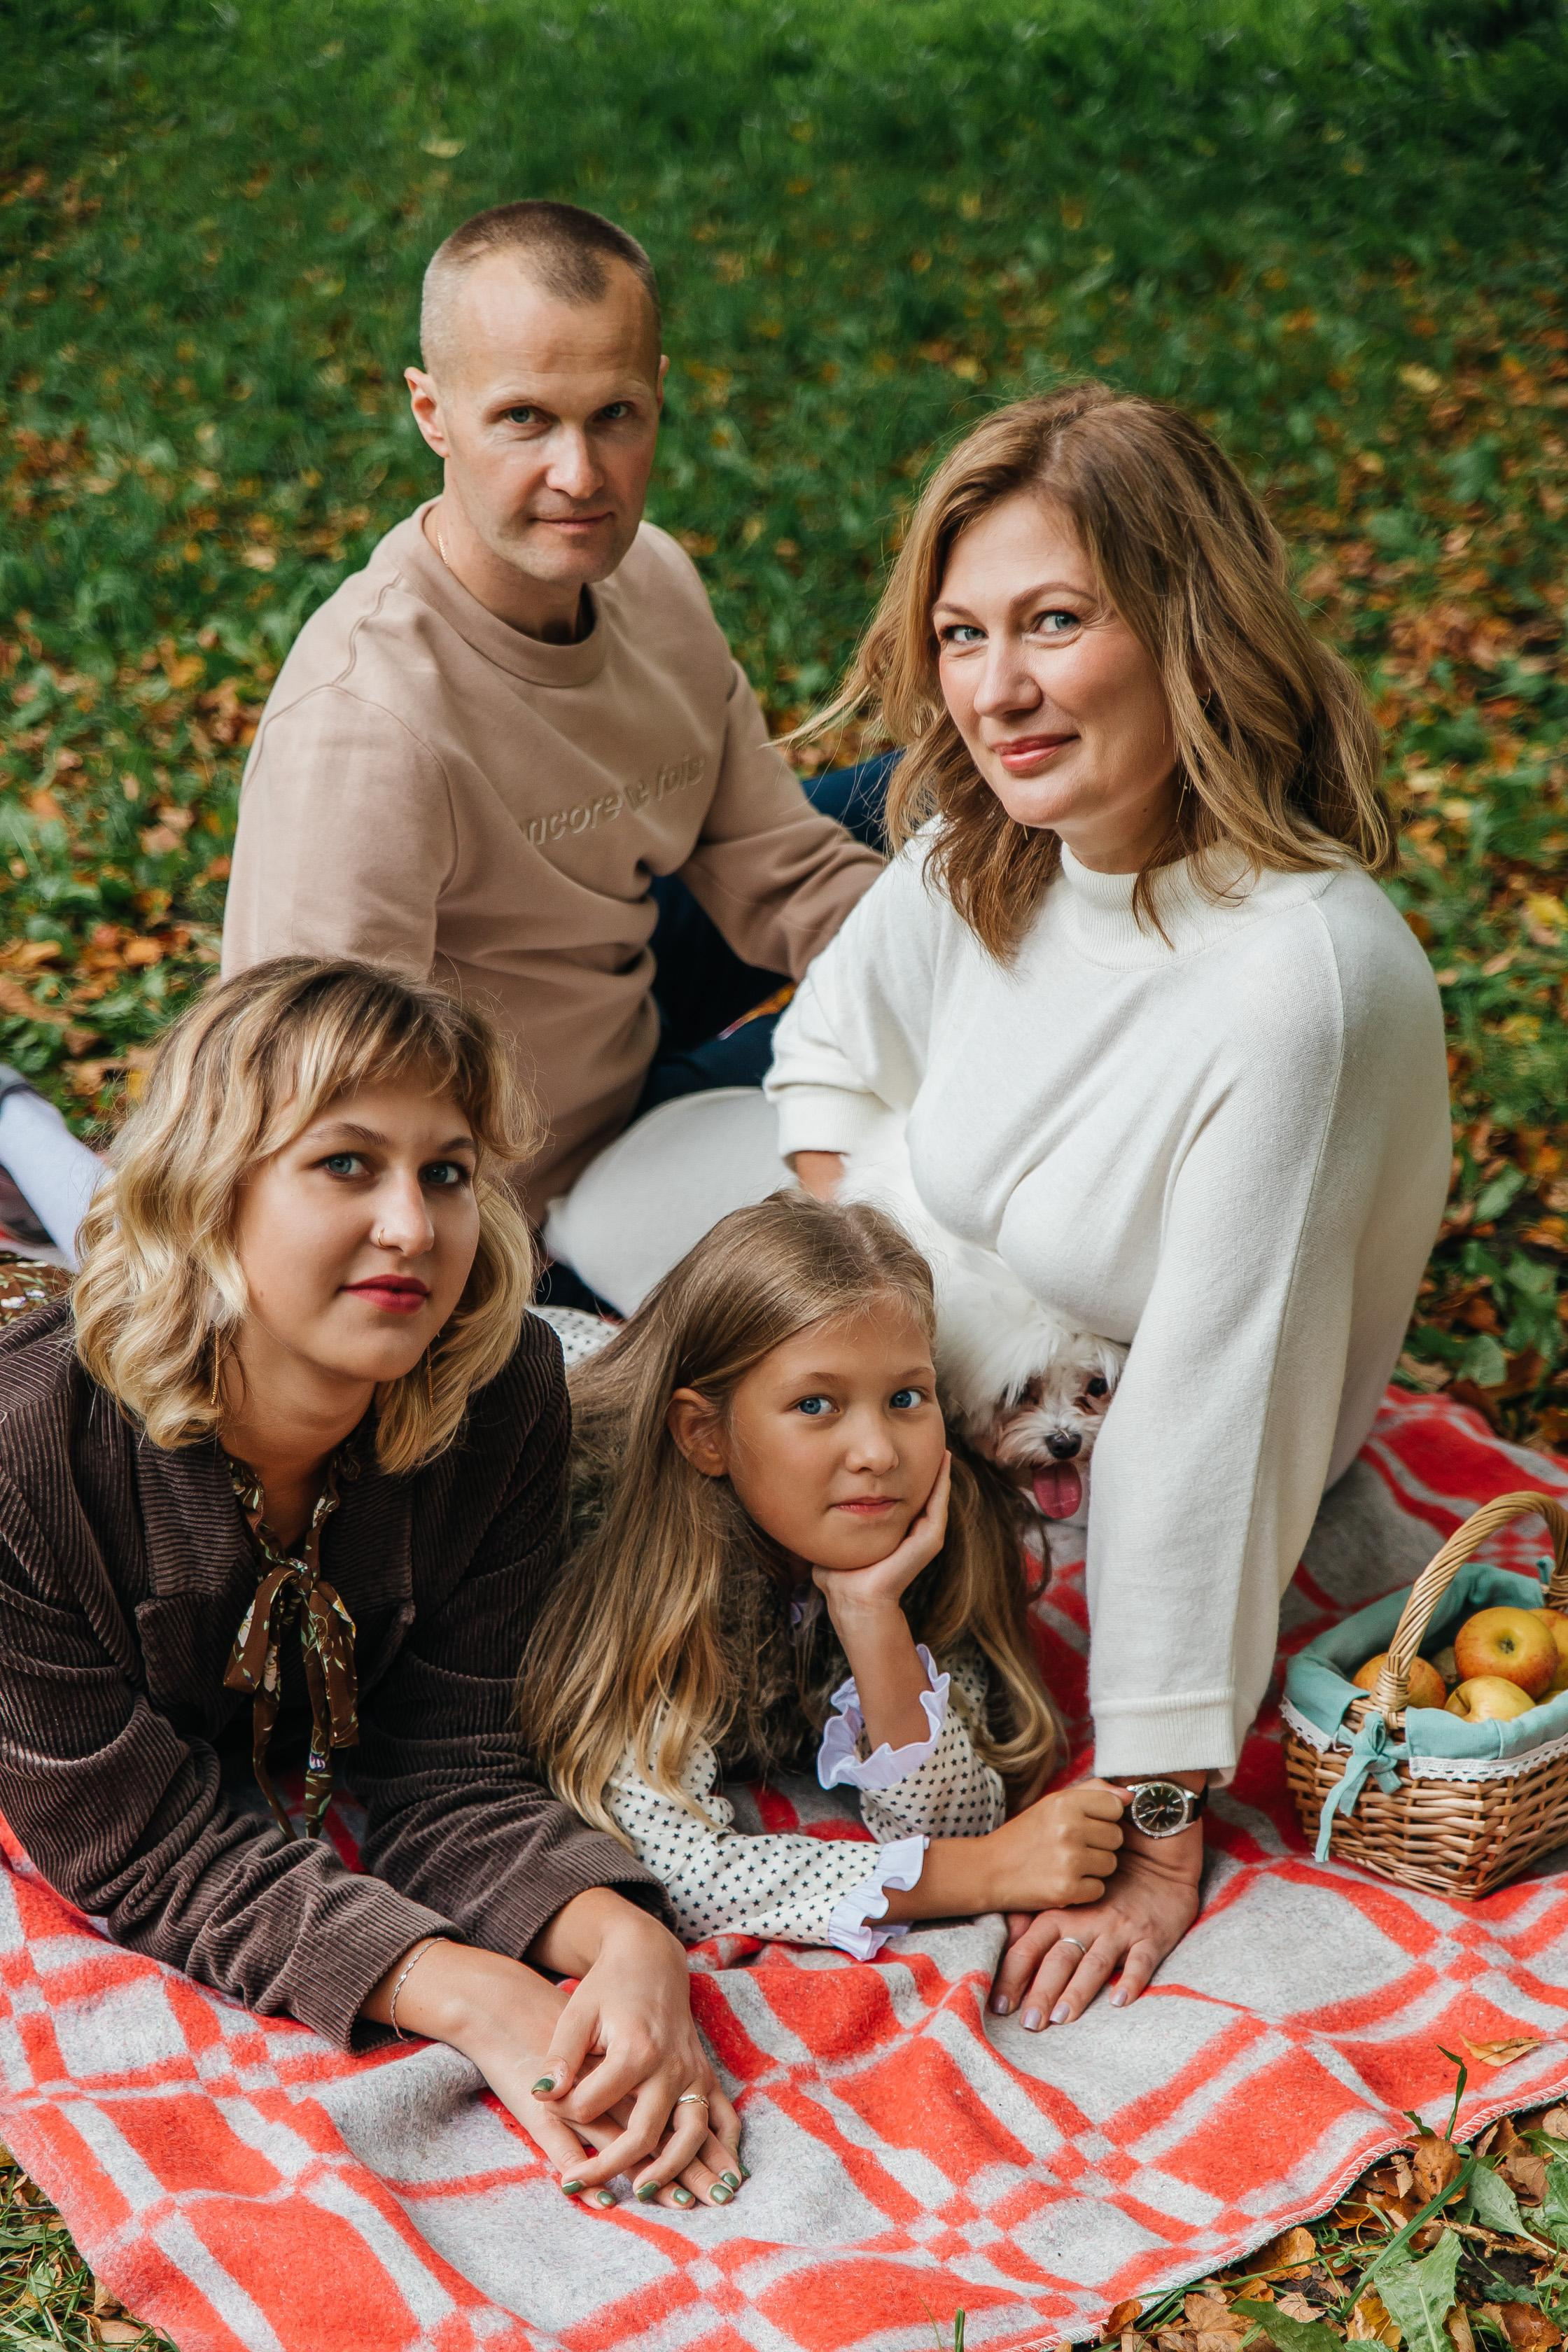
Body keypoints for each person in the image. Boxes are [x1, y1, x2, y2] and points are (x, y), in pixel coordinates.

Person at [756, 382, 1451, 2026]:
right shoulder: (986, 850)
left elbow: (1211, 1411)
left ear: (1186, 626)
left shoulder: (1301, 979)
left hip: (1143, 1430)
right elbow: (827, 1065)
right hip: (958, 1366)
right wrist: (895, 1354)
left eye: (1055, 623)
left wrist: (1154, 1818)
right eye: (962, 633)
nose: (998, 691)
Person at [0, 958, 743, 2212]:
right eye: (346, 1163)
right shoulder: (30, 1468)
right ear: (212, 1187)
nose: (413, 1226)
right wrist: (470, 1991)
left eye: (446, 1172)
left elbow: (452, 1759)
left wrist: (629, 1940)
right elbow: (139, 1847)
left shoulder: (499, 1395)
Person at [218, 199, 883, 1272]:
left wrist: (993, 1020)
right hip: (515, 1194)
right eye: (524, 419)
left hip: (625, 1018)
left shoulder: (654, 578)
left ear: (659, 392)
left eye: (614, 414)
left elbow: (782, 870)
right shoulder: (367, 729)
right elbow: (309, 1110)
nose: (580, 475)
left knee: (936, 801)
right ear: (433, 413)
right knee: (904, 1246)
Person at [519, 1192, 1127, 1955]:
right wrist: (972, 1877)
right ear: (705, 1436)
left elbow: (958, 1815)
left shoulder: (926, 1519)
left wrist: (874, 1618)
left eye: (906, 1397)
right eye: (816, 1404)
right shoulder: (641, 1551)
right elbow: (672, 1870)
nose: (877, 1451)